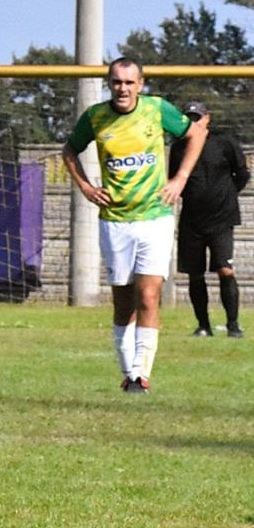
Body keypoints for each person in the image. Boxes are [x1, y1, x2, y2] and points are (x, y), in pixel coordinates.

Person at [62, 57, 207, 393]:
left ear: (140, 84)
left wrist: (180, 178)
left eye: (129, 82)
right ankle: (128, 373)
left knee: (149, 295)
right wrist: (86, 187)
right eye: (117, 82)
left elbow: (197, 134)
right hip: (115, 221)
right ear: (109, 84)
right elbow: (69, 150)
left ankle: (141, 375)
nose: (123, 89)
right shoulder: (95, 117)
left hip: (155, 218)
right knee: (123, 302)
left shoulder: (156, 109)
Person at [170, 100, 248, 338]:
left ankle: (233, 325)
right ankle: (203, 325)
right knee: (195, 274)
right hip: (192, 220)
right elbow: (175, 180)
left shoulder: (224, 142)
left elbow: (242, 174)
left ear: (207, 118)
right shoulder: (179, 147)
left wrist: (225, 196)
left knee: (225, 269)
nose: (193, 122)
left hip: (222, 219)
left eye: (197, 117)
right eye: (189, 118)